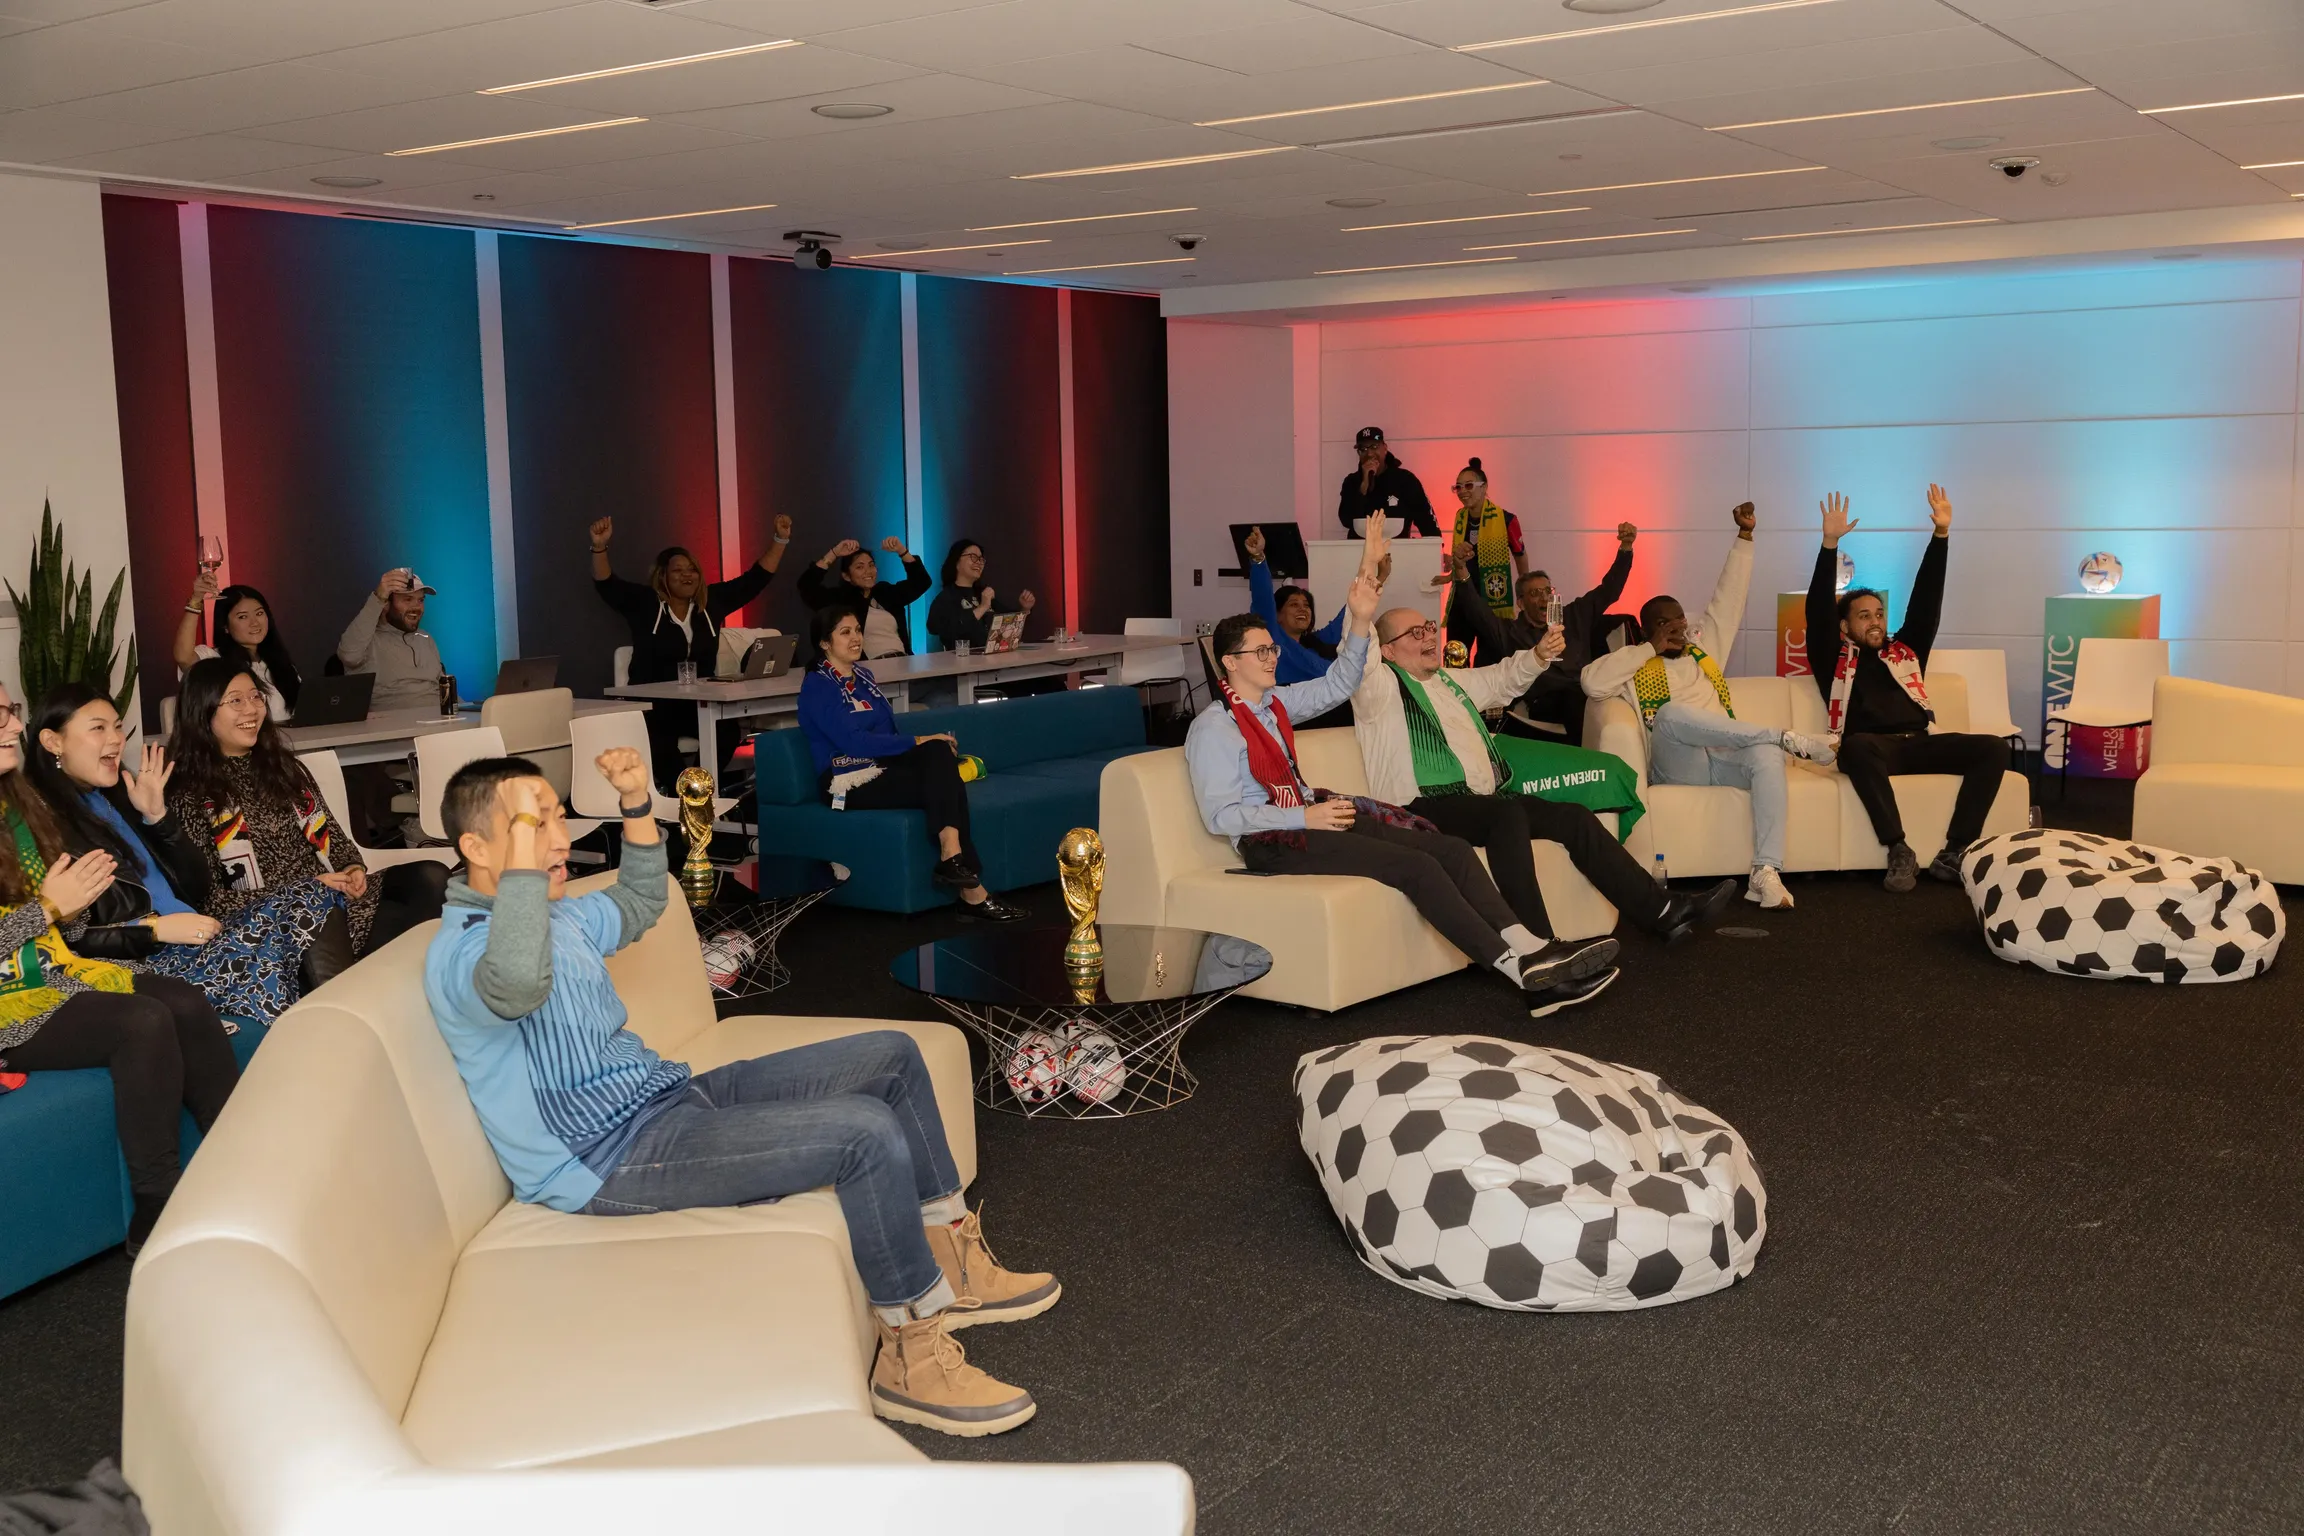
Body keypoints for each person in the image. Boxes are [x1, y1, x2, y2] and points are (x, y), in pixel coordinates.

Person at [425, 749, 1055, 1435]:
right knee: (861, 1134)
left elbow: (640, 902)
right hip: (604, 1160)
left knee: (893, 1057)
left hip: (668, 1102)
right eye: (531, 822)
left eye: (555, 816)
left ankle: (952, 1259)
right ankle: (909, 1359)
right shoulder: (461, 951)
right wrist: (524, 874)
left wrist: (638, 803)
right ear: (475, 847)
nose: (559, 837)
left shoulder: (563, 916)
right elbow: (517, 983)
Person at [1185, 521, 1618, 1003]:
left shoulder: (1277, 704)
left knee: (1448, 849)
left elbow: (1338, 683)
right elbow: (1221, 816)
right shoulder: (1214, 728)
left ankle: (1533, 949)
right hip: (1272, 841)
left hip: (1312, 819)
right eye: (1260, 651)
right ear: (1229, 662)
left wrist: (1363, 615)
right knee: (1418, 867)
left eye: (1272, 648)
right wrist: (1301, 815)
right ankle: (1521, 975)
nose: (1272, 657)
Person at [1354, 606, 1739, 1012]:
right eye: (1414, 633)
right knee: (1506, 815)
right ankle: (1540, 954)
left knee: (1571, 816)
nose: (1429, 636)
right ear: (1388, 652)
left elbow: (1501, 679)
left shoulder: (1451, 682)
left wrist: (1537, 655)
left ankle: (1663, 911)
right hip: (1418, 808)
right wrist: (1367, 587)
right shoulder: (1377, 689)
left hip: (1478, 803)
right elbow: (1357, 652)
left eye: (1429, 626)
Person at [0, 680, 238, 1254]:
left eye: (10, 711)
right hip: (10, 999)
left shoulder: (18, 810)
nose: (14, 726)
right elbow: (48, 916)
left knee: (181, 999)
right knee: (142, 1021)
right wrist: (51, 909)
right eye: (1, 715)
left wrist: (65, 911)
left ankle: (241, 1160)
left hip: (51, 970)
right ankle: (157, 1205)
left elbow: (69, 931)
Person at [29, 682, 342, 1022]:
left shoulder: (120, 793)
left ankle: (332, 1019)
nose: (116, 739)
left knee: (314, 893)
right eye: (98, 728)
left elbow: (197, 887)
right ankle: (333, 1021)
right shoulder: (42, 822)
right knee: (275, 960)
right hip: (151, 957)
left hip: (198, 936)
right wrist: (153, 930)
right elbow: (65, 940)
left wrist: (157, 817)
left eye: (117, 726)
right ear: (53, 742)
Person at [1580, 501, 1838, 910]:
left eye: (1680, 620)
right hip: (1678, 764)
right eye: (1666, 623)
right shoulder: (1634, 663)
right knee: (1670, 714)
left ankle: (1765, 872)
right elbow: (1591, 683)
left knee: (1767, 758)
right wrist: (1648, 648)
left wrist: (1745, 537)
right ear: (1647, 629)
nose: (1678, 627)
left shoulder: (1705, 651)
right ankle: (1784, 736)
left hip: (1725, 756)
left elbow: (1728, 600)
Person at [167, 658, 448, 990]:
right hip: (270, 917)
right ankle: (354, 1004)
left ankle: (388, 991)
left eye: (256, 697)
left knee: (430, 876)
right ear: (203, 711)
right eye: (235, 701)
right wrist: (308, 889)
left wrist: (352, 867)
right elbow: (210, 900)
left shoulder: (283, 767)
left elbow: (334, 836)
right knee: (360, 921)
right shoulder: (188, 791)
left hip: (329, 894)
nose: (252, 709)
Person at [1808, 486, 2011, 891]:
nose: (1875, 622)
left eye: (1880, 613)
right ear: (1846, 627)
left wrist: (1940, 537)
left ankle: (1955, 851)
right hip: (1870, 750)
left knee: (1992, 747)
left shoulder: (1906, 652)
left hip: (1917, 743)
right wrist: (1829, 544)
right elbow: (1817, 613)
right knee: (1857, 745)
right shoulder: (1835, 658)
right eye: (1864, 616)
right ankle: (1899, 849)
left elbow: (1926, 603)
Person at [797, 607, 1025, 922]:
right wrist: (917, 741)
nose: (856, 638)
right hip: (845, 780)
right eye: (845, 632)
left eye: (857, 630)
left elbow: (887, 732)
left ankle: (952, 856)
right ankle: (972, 892)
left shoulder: (864, 675)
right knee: (944, 780)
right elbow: (854, 742)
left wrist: (928, 744)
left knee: (941, 754)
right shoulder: (817, 685)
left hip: (881, 766)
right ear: (825, 643)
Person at [591, 513, 790, 788]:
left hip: (695, 704)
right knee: (656, 734)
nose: (687, 574)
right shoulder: (646, 604)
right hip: (654, 706)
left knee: (727, 730)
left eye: (692, 569)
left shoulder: (711, 603)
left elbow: (755, 580)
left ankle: (696, 789)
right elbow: (607, 585)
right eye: (678, 569)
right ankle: (683, 795)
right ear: (662, 576)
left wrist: (780, 539)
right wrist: (599, 547)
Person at [1446, 521, 1638, 742]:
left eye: (1548, 590)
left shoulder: (1574, 615)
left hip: (1589, 691)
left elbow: (1609, 591)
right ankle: (1587, 763)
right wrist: (1460, 568)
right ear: (1521, 602)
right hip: (1547, 701)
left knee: (1608, 700)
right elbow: (1475, 609)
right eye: (1535, 593)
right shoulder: (1510, 632)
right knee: (1576, 700)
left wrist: (1626, 547)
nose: (1544, 597)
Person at [173, 573, 299, 722]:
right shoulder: (214, 660)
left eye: (259, 613)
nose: (254, 623)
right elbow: (183, 656)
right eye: (242, 617)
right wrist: (196, 599)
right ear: (225, 626)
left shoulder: (280, 663)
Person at [798, 537, 932, 659]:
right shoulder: (841, 600)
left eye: (871, 565)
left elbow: (922, 582)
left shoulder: (885, 592)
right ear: (846, 576)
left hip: (903, 661)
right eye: (859, 567)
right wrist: (834, 553)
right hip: (868, 669)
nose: (868, 571)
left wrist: (902, 551)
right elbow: (807, 587)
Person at [337, 568, 445, 712]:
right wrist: (378, 597)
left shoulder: (426, 638)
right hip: (394, 728)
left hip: (439, 722)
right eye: (407, 599)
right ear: (385, 605)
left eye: (420, 600)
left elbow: (446, 691)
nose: (416, 607)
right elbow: (348, 655)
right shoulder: (367, 640)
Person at [1446, 457, 1529, 628]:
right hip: (1463, 598)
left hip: (1492, 599)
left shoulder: (1507, 519)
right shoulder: (1459, 518)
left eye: (1468, 485)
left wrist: (1524, 592)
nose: (1462, 491)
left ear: (1484, 487)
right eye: (1458, 487)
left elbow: (1520, 556)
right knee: (1456, 651)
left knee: (1493, 653)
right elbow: (1459, 560)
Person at [926, 538, 1036, 652]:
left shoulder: (983, 594)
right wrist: (982, 607)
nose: (978, 562)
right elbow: (935, 628)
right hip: (963, 663)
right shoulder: (946, 597)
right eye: (973, 557)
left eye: (981, 559)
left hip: (995, 661)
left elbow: (1009, 622)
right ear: (956, 561)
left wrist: (1025, 608)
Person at [1338, 426, 1440, 539]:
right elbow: (1346, 520)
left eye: (1374, 446)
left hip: (1398, 552)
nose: (1369, 453)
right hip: (1360, 552)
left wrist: (1437, 550)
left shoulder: (1405, 479)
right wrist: (1363, 488)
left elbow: (1426, 519)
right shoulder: (1351, 482)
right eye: (1363, 449)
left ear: (1385, 448)